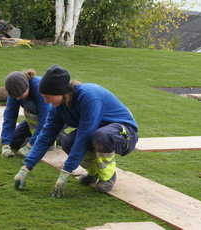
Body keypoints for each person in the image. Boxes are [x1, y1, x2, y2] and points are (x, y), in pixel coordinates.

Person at [14, 64, 138, 198]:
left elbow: (84, 135)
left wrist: (65, 172)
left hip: (124, 132)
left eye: (48, 96)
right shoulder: (57, 107)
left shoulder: (89, 97)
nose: (45, 101)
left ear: (61, 92)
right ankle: (93, 173)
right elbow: (46, 136)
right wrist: (26, 167)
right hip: (98, 130)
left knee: (100, 136)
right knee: (67, 142)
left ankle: (108, 177)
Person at [1, 69, 52, 158]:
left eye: (20, 95)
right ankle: (42, 138)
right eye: (15, 96)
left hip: (59, 118)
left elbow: (46, 119)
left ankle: (56, 137)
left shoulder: (40, 88)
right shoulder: (14, 92)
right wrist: (5, 144)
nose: (17, 99)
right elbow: (9, 117)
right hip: (37, 118)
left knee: (29, 106)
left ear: (27, 86)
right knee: (14, 141)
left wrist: (30, 146)